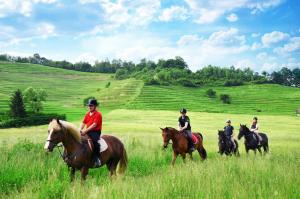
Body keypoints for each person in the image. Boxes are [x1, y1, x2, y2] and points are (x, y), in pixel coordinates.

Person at [79, 99, 102, 167]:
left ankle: (97, 159)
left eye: (91, 106)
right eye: (89, 106)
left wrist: (85, 131)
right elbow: (83, 122)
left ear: (95, 106)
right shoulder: (87, 114)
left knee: (95, 142)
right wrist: (79, 129)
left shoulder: (98, 114)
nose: (89, 107)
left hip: (95, 132)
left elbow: (94, 125)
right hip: (88, 131)